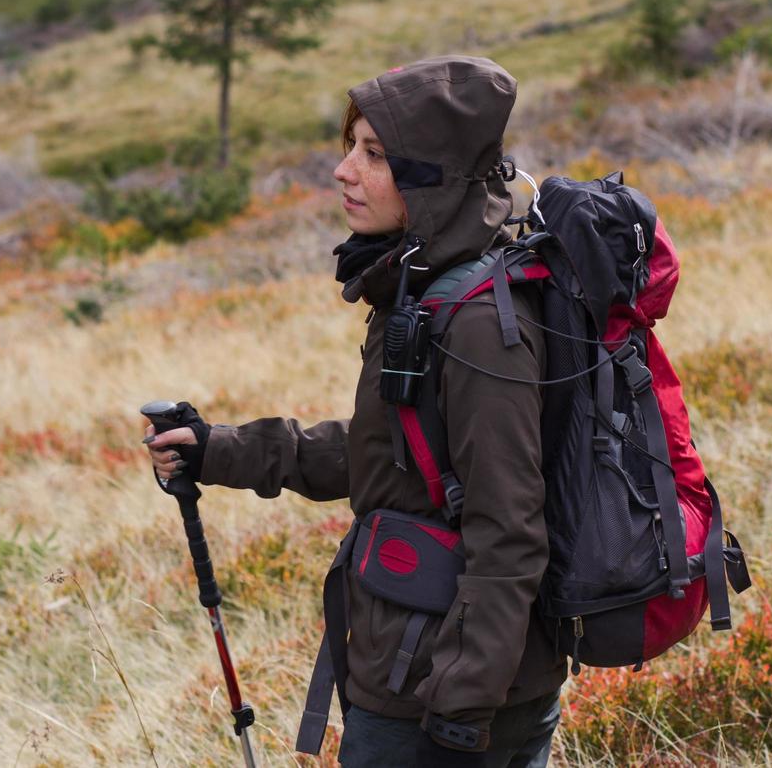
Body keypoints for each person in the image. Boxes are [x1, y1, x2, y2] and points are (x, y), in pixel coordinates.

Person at [145, 56, 566, 766]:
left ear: (431, 176)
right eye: (351, 147)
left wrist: (461, 700)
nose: (344, 170)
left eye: (373, 154)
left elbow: (510, 523)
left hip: (439, 691)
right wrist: (219, 449)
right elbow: (389, 448)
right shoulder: (430, 288)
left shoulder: (476, 324)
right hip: (423, 663)